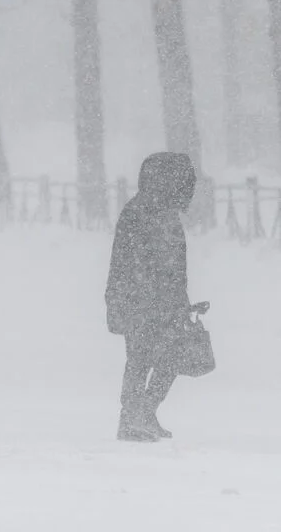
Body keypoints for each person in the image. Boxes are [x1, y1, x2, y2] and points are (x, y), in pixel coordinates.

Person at [105, 152, 197, 442]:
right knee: (140, 358)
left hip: (160, 302)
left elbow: (174, 267)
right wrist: (138, 298)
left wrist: (181, 302)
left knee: (169, 357)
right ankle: (130, 418)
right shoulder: (141, 212)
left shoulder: (164, 213)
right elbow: (132, 262)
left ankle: (144, 413)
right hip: (139, 301)